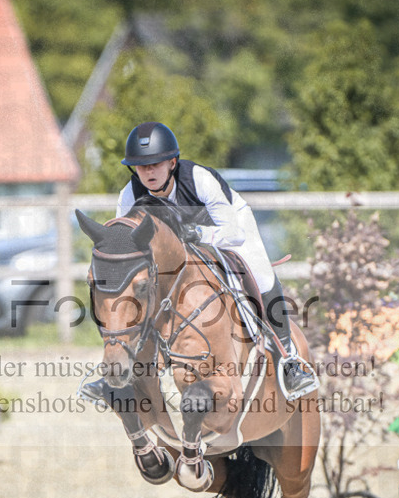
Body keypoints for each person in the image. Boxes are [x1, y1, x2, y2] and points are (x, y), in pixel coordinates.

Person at [87, 121, 317, 400]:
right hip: (181, 249)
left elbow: (233, 233)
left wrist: (198, 233)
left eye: (156, 164)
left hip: (227, 227)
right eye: (141, 166)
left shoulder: (198, 179)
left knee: (262, 274)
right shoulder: (130, 195)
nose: (148, 172)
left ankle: (289, 359)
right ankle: (126, 365)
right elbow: (127, 243)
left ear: (172, 162)